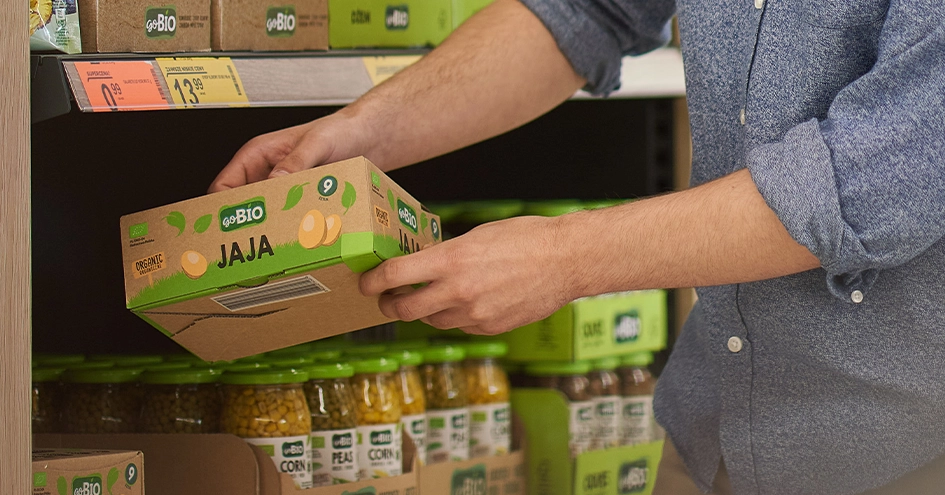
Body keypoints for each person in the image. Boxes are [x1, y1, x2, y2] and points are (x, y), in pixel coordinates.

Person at [209, 0, 945, 493]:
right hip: (708, 437)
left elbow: (870, 176)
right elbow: (585, 11)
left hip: (904, 454)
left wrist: (563, 258)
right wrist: (359, 135)